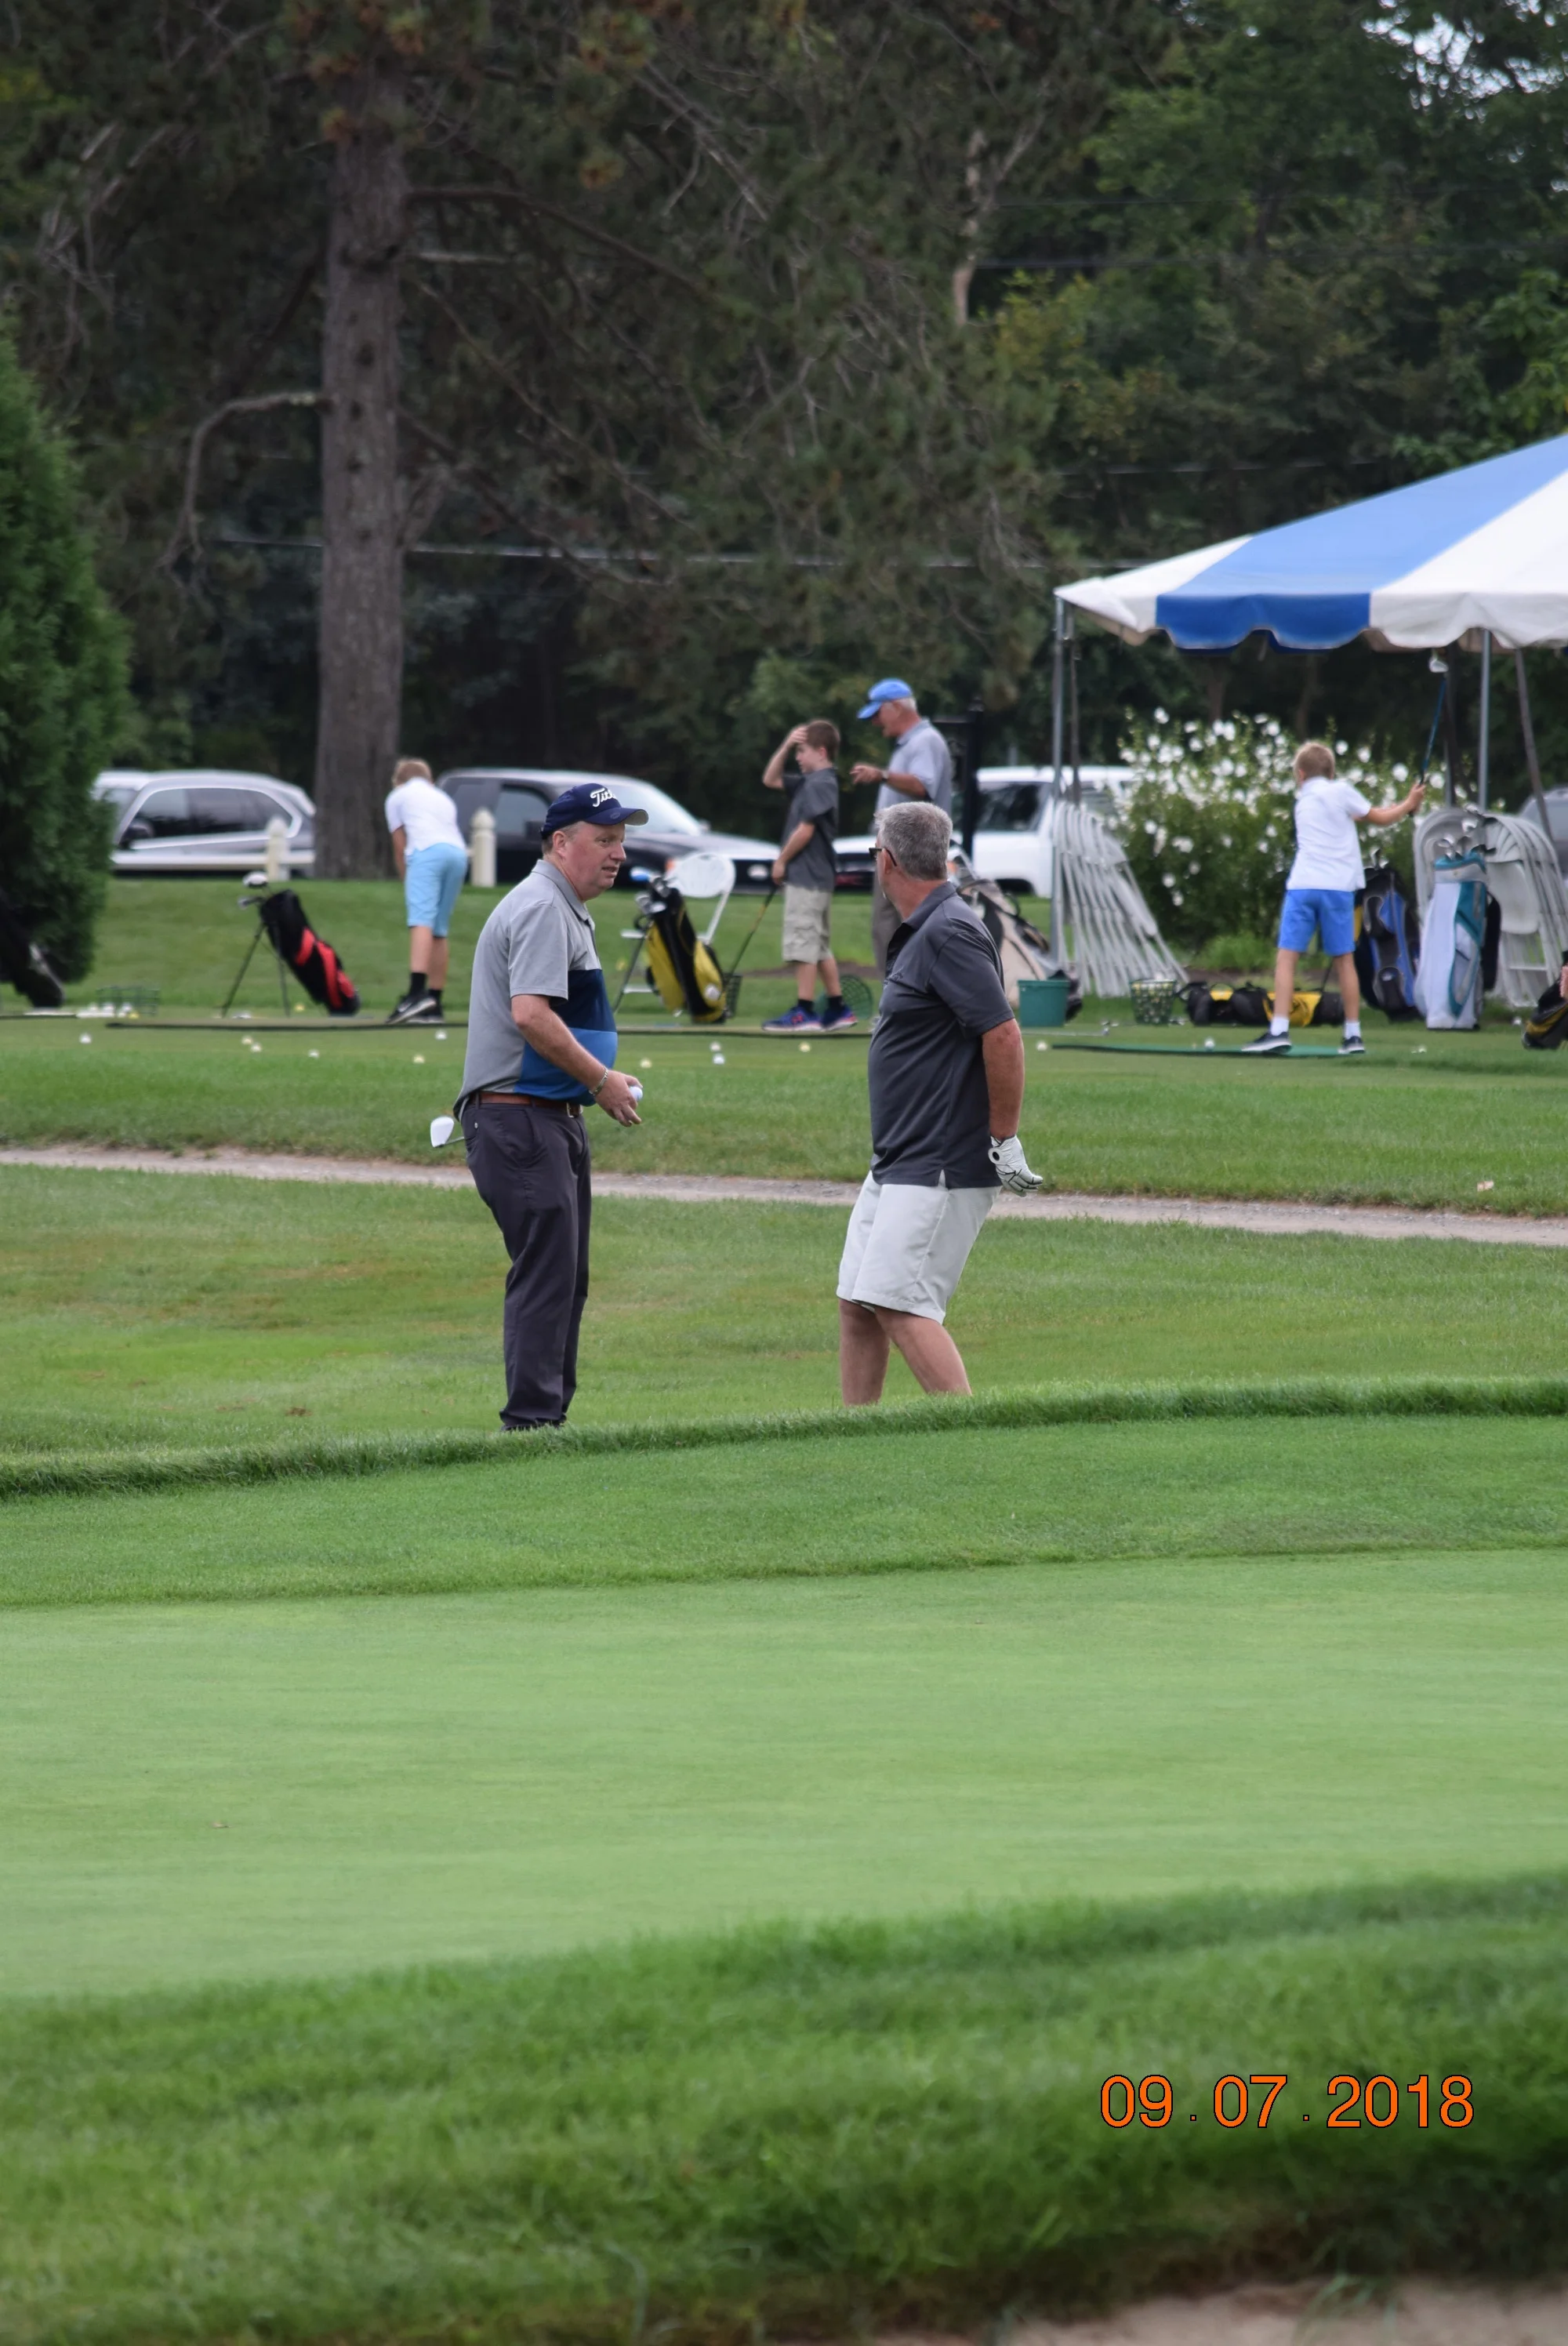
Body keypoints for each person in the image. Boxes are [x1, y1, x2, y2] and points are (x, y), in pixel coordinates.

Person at [837, 799, 1042, 1407]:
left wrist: (1002, 1139)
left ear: (888, 861)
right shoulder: (931, 926)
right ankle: (854, 1445)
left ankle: (971, 1447)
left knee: (902, 1306)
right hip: (900, 1160)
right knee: (858, 1304)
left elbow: (1001, 1032)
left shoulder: (949, 930)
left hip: (941, 1163)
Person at [456, 783, 647, 1429]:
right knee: (547, 1276)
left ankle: (547, 1422)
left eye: (621, 840)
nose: (617, 853)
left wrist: (593, 1076)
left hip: (544, 1116)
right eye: (604, 840)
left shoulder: (562, 904)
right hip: (520, 1119)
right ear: (561, 843)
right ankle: (533, 1427)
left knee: (566, 1277)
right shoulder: (542, 906)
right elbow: (531, 1017)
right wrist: (600, 1081)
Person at [1243, 741, 1425, 1058]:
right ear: (1331, 772)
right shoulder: (1341, 791)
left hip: (1303, 887)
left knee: (1287, 959)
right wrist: (1409, 803)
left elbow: (1349, 818)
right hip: (1338, 889)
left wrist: (1408, 805)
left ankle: (1279, 1030)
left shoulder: (1302, 801)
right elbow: (1378, 818)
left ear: (1301, 775)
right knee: (1344, 961)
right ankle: (1353, 1036)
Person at [848, 678, 955, 975]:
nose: (875, 723)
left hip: (910, 852)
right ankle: (899, 1004)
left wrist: (882, 775)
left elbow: (923, 785)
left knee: (892, 925)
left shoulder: (925, 741)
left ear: (895, 708)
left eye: (877, 714)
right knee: (891, 927)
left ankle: (897, 1005)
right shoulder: (911, 743)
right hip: (900, 850)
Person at [760, 719, 855, 1033]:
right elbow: (770, 779)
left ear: (822, 751)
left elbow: (806, 829)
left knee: (803, 944)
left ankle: (805, 1012)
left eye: (802, 751)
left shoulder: (821, 783)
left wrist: (781, 861)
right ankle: (838, 1009)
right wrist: (786, 745)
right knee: (818, 946)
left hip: (808, 876)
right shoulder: (808, 781)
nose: (798, 757)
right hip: (815, 877)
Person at [385, 758, 469, 1025]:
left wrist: (405, 879)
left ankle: (416, 994)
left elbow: (401, 846)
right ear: (429, 779)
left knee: (421, 920)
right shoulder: (442, 797)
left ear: (399, 781)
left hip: (426, 853)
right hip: (458, 855)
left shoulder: (397, 796)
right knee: (438, 928)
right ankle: (434, 1001)